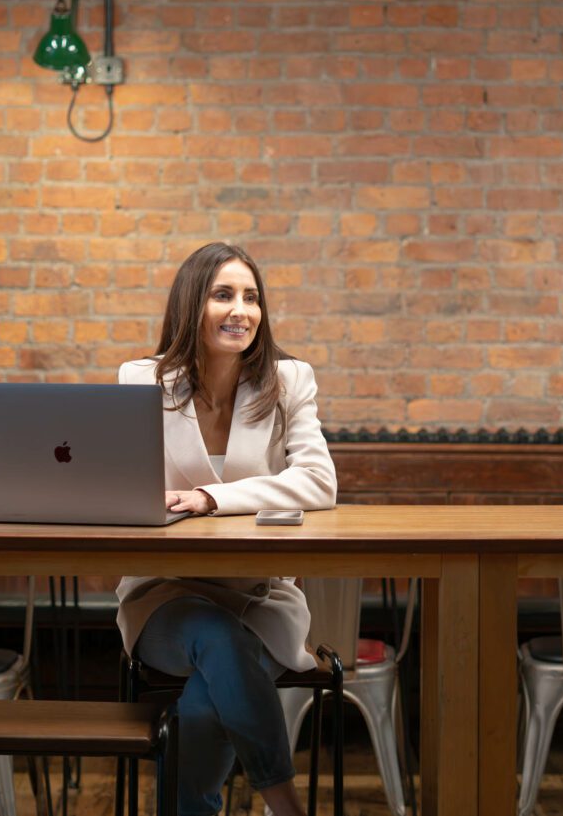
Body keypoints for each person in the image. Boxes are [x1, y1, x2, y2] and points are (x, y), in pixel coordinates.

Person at [116, 241, 337, 816]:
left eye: (251, 297)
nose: (241, 310)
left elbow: (319, 482)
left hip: (261, 598)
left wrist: (212, 497)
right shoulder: (143, 382)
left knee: (204, 703)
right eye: (223, 295)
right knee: (214, 636)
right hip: (165, 597)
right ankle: (285, 805)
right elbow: (119, 486)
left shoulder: (288, 382)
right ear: (192, 305)